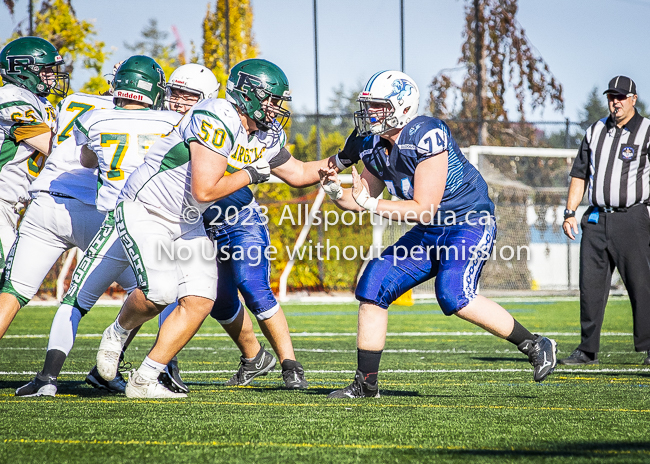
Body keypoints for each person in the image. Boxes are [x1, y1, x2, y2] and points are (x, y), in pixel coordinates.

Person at [94, 59, 339, 398]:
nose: (275, 108)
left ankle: (145, 379)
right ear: (248, 94)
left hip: (188, 220)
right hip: (147, 207)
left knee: (200, 300)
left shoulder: (261, 133)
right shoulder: (216, 115)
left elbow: (297, 174)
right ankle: (118, 333)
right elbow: (205, 190)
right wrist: (251, 174)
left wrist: (345, 160)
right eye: (271, 99)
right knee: (161, 291)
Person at [319, 70, 557, 399]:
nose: (370, 112)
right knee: (374, 283)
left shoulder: (426, 134)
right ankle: (365, 383)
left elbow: (422, 208)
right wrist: (334, 191)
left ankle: (535, 344)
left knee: (453, 293)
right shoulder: (372, 145)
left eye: (377, 105)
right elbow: (359, 200)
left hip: (467, 220)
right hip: (431, 228)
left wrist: (370, 202)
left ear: (401, 107)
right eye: (368, 105)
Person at [13, 55, 181, 397]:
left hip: (115, 221)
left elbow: (86, 160)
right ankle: (128, 357)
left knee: (74, 302)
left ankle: (48, 378)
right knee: (156, 295)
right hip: (152, 222)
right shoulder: (170, 122)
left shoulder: (94, 117)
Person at [560, 75, 650, 366]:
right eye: (612, 96)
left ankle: (649, 346)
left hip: (632, 218)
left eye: (622, 97)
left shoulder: (647, 131)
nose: (616, 102)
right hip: (596, 219)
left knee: (641, 285)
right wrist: (570, 212)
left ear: (633, 99)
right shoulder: (595, 130)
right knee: (591, 287)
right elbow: (579, 173)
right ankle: (587, 350)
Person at [0, 36, 67, 282]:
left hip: (13, 205)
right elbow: (51, 145)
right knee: (10, 278)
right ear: (24, 70)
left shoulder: (44, 103)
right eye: (47, 70)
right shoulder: (9, 96)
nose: (52, 76)